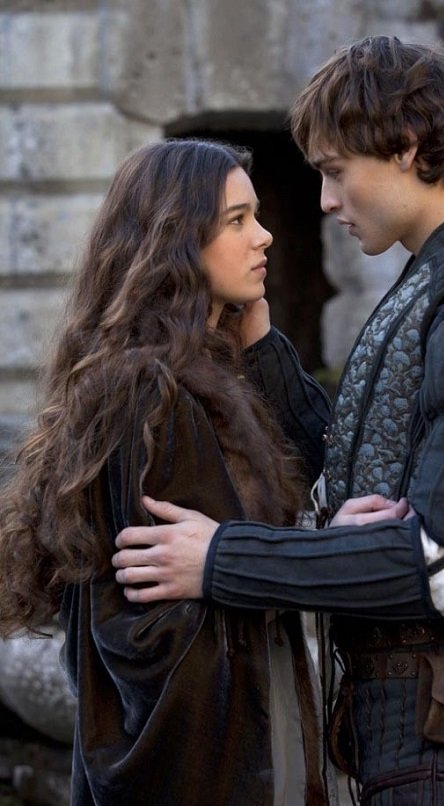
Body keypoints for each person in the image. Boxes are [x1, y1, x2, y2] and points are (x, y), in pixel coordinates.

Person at [112, 37, 444, 805]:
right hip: (415, 723)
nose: (325, 201)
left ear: (404, 147)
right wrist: (264, 354)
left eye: (336, 171)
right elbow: (363, 472)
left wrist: (223, 560)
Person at [0, 139, 335, 804]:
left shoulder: (202, 379)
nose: (264, 236)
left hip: (235, 737)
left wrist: (261, 347)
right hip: (199, 762)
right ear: (176, 240)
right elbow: (143, 622)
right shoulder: (150, 392)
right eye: (237, 220)